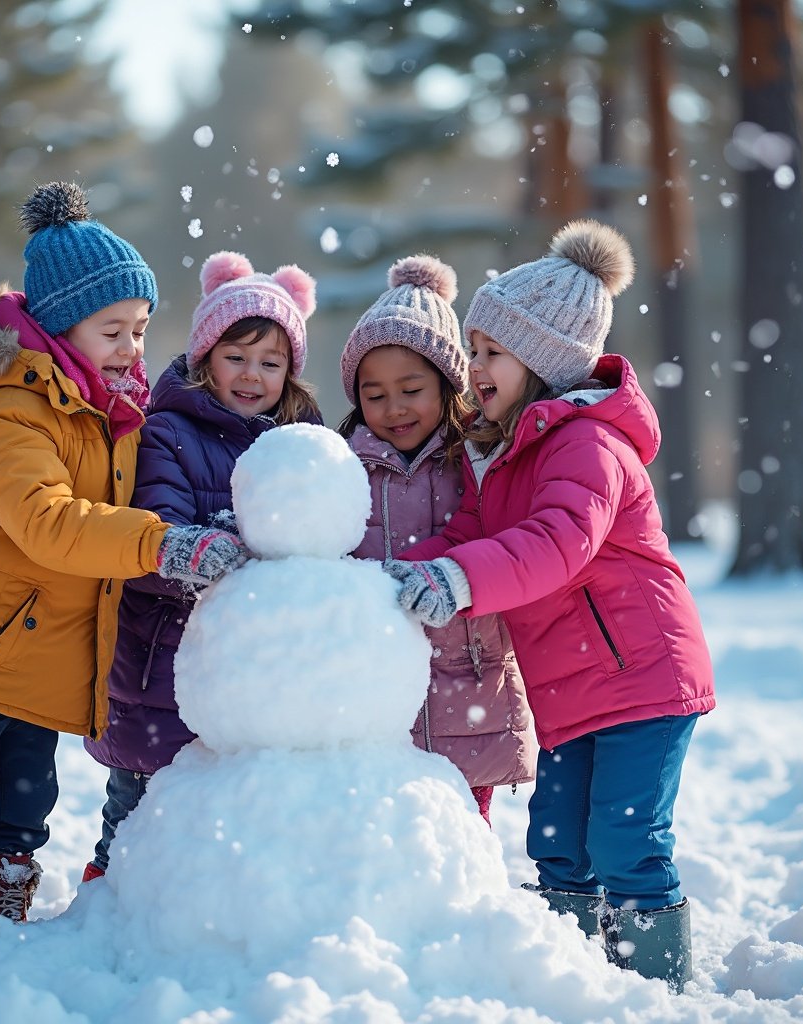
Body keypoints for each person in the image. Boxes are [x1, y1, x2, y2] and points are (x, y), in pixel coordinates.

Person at [0, 181, 240, 948]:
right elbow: (46, 521)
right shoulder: (11, 409)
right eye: (114, 332)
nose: (135, 349)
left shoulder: (111, 415)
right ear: (61, 329)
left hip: (40, 660)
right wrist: (157, 542)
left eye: (140, 328)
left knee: (19, 816)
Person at [385, 220, 716, 992]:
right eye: (473, 350)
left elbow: (556, 542)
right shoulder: (507, 454)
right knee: (559, 839)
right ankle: (571, 974)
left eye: (492, 352)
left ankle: (656, 985)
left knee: (626, 837)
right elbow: (471, 532)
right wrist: (395, 575)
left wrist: (459, 581)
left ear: (541, 361)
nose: (475, 368)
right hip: (571, 687)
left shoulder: (589, 446)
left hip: (641, 677)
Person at [80, 250, 323, 882]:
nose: (252, 375)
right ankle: (106, 898)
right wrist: (206, 549)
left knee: (217, 812)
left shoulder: (297, 442)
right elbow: (152, 540)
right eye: (236, 357)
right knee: (136, 807)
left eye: (271, 363)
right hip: (162, 666)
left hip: (247, 676)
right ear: (205, 358)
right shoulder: (169, 433)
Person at [336, 253, 535, 825]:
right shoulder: (345, 466)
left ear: (448, 383)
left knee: (462, 824)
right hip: (378, 677)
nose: (394, 407)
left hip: (469, 672)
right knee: (383, 816)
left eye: (411, 388)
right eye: (374, 395)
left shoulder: (480, 460)